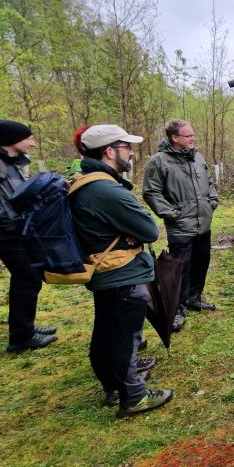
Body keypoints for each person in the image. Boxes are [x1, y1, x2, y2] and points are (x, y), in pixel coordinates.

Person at [70, 124, 173, 417]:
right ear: (109, 151)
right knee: (122, 338)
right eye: (127, 147)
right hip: (121, 274)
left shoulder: (86, 180)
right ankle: (134, 396)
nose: (132, 153)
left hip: (106, 273)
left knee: (106, 331)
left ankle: (113, 386)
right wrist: (135, 229)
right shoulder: (104, 189)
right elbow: (149, 229)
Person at [0, 119, 57, 351]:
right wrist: (16, 226)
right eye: (29, 138)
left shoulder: (7, 162)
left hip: (19, 232)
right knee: (27, 278)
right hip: (7, 235)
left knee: (27, 279)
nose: (33, 143)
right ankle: (21, 338)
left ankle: (25, 328)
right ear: (14, 139)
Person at [142, 119, 219, 331]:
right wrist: (172, 214)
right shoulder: (159, 161)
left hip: (203, 223)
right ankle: (177, 309)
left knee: (201, 262)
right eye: (188, 135)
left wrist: (212, 202)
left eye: (193, 135)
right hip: (181, 227)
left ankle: (195, 297)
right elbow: (151, 192)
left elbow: (210, 182)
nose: (193, 138)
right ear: (175, 138)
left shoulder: (197, 157)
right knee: (179, 269)